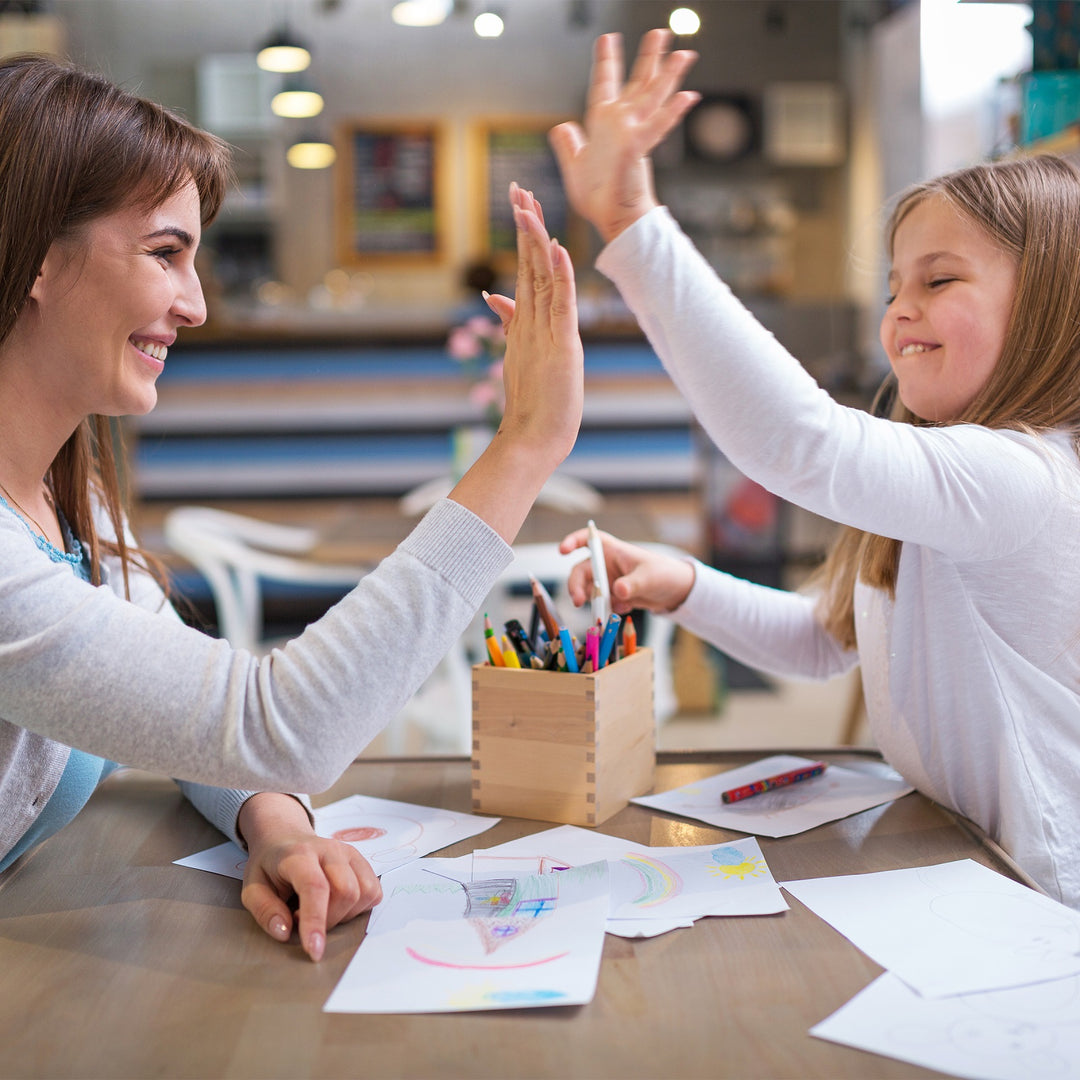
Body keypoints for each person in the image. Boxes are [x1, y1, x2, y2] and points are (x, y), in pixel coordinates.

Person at [0, 55, 582, 960]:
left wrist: (272, 825)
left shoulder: (66, 497)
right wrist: (528, 444)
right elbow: (277, 725)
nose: (195, 305)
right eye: (165, 253)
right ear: (35, 258)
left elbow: (204, 712)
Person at [552, 29, 1080, 909]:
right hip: (962, 859)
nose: (901, 310)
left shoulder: (1025, 479)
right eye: (893, 288)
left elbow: (798, 443)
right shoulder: (955, 487)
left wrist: (631, 225)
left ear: (1057, 303)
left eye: (940, 281)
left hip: (1042, 896)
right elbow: (829, 639)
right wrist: (683, 583)